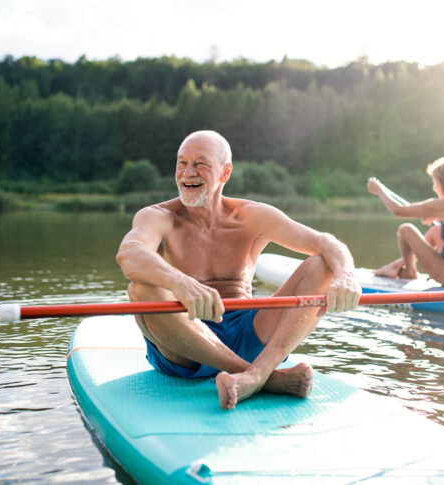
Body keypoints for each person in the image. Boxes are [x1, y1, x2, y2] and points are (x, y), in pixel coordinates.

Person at [116, 130, 361, 410]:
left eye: (201, 164)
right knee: (141, 288)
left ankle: (257, 373)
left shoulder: (251, 216)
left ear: (225, 172)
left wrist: (346, 275)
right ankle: (265, 378)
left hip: (249, 333)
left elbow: (323, 241)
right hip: (184, 346)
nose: (188, 173)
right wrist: (180, 283)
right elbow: (129, 254)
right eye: (182, 163)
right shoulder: (158, 216)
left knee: (322, 264)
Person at [367, 156, 444, 287]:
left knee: (406, 230)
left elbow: (399, 210)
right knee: (436, 231)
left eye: (435, 181)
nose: (434, 187)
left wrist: (379, 190)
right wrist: (439, 217)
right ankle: (396, 266)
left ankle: (409, 270)